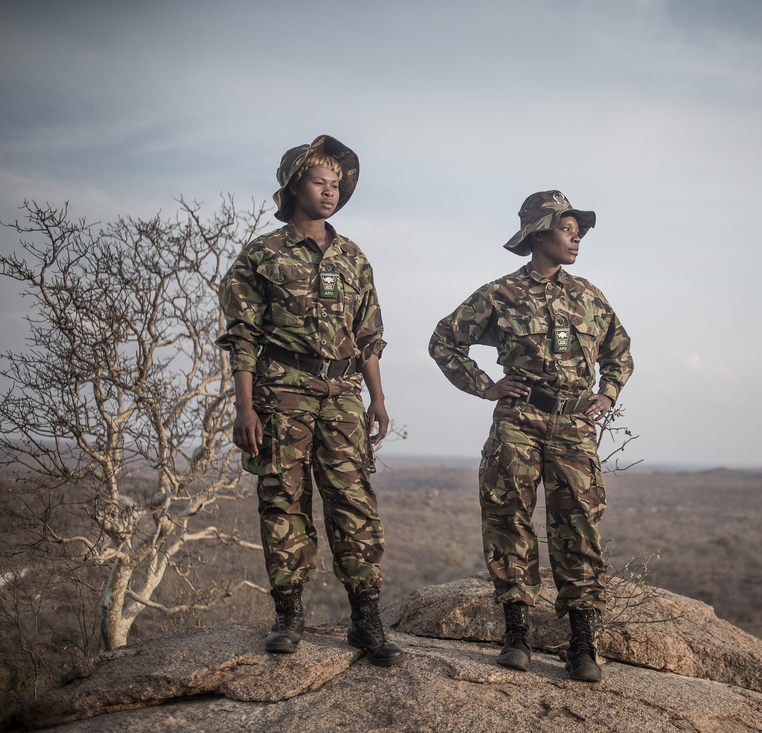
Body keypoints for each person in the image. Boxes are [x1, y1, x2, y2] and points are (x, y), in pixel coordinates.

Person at [429, 190, 634, 682]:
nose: (577, 236)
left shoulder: (589, 296)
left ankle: (582, 644)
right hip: (518, 421)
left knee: (578, 526)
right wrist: (486, 386)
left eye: (578, 229)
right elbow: (443, 341)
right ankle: (516, 635)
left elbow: (620, 351)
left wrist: (606, 393)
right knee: (508, 521)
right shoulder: (500, 294)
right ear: (539, 234)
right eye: (567, 228)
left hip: (574, 427)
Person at [217, 134, 404, 666]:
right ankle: (288, 613)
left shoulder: (353, 256)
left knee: (354, 501)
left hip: (343, 394)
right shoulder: (261, 255)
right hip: (282, 395)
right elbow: (242, 337)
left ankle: (366, 619)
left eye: (336, 183)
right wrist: (245, 407)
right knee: (284, 500)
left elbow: (368, 335)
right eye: (320, 181)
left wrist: (378, 398)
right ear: (294, 184)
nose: (330, 191)